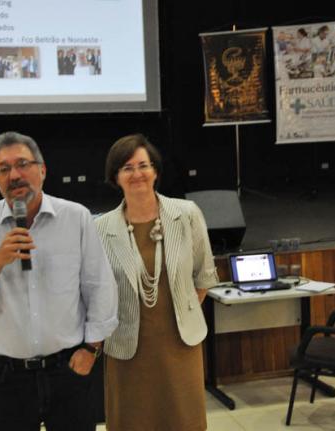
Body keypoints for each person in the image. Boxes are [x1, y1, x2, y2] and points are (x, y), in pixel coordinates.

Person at [0, 131, 118, 431]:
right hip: (6, 376)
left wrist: (92, 350)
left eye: (22, 164)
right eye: (3, 169)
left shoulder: (76, 217)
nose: (14, 175)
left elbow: (99, 286)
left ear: (42, 170)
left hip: (68, 369)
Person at [95, 134, 218, 431]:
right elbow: (97, 292)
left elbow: (204, 276)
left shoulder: (186, 214)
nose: (137, 174)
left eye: (143, 165)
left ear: (155, 171)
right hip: (127, 349)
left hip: (180, 344)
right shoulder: (100, 228)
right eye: (127, 167)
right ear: (116, 176)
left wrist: (181, 310)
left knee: (183, 422)